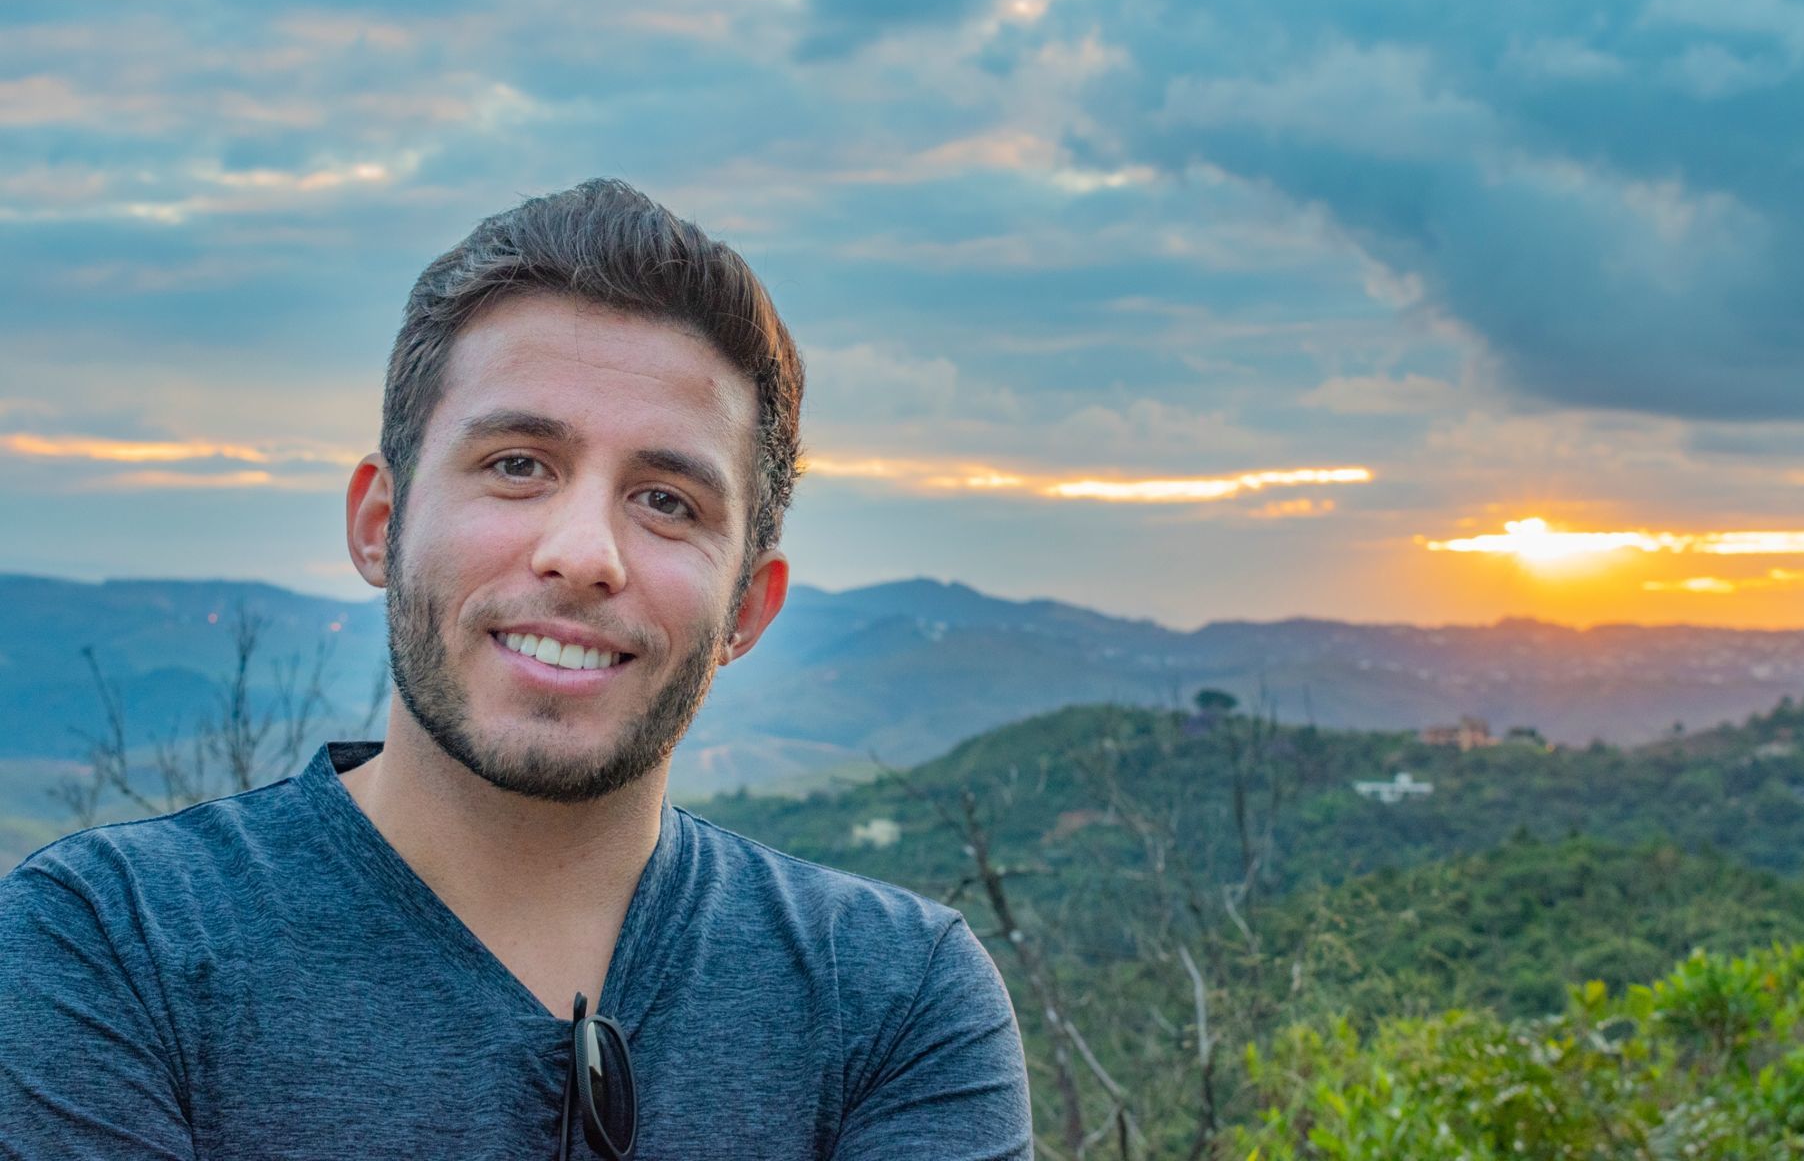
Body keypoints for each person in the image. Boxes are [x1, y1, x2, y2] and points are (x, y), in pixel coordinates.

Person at [0, 180, 1035, 1159]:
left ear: (747, 609)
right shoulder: (109, 945)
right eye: (517, 465)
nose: (583, 552)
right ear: (380, 521)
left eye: (668, 498)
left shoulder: (893, 1000)